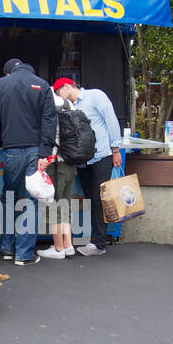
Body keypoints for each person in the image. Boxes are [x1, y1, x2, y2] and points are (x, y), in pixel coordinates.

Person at [0, 58, 56, 265]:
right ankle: (24, 254)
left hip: (11, 151)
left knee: (8, 198)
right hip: (36, 151)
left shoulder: (1, 84)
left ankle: (6, 248)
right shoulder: (42, 85)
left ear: (8, 72)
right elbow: (50, 120)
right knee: (30, 201)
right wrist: (45, 151)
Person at [51, 77, 124, 256]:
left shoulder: (95, 96)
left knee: (100, 199)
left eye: (59, 91)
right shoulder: (70, 106)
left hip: (101, 156)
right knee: (91, 198)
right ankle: (95, 240)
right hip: (82, 161)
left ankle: (99, 243)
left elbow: (111, 120)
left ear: (66, 86)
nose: (59, 96)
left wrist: (116, 149)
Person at [37, 87, 77, 259]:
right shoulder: (69, 104)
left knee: (53, 205)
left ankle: (58, 248)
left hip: (55, 162)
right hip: (70, 161)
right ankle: (68, 245)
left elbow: (48, 135)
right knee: (65, 203)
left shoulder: (48, 106)